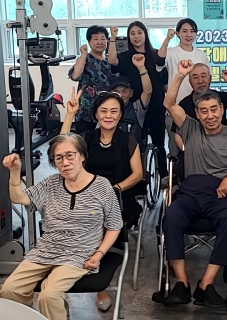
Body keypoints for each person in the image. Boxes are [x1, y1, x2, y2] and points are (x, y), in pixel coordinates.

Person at [158, 59, 227, 309]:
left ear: (222, 110)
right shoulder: (190, 128)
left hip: (220, 194)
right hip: (190, 192)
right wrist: (180, 75)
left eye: (214, 110)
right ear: (197, 114)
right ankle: (181, 283)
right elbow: (169, 103)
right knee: (171, 217)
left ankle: (206, 284)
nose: (210, 116)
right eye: (204, 111)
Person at [0, 134, 123, 320]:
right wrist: (15, 172)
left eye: (70, 155)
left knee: (49, 296)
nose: (65, 162)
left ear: (82, 155)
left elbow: (114, 225)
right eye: (58, 158)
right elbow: (19, 198)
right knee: (9, 290)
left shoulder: (102, 186)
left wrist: (98, 254)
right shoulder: (51, 183)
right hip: (46, 250)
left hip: (80, 253)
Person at [61, 89, 143, 311]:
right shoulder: (86, 139)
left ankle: (99, 285)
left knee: (93, 222)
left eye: (114, 111)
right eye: (104, 110)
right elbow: (61, 148)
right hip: (86, 197)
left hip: (119, 197)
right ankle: (64, 275)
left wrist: (113, 189)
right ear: (96, 114)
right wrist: (70, 115)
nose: (109, 115)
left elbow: (137, 174)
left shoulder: (128, 140)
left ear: (120, 114)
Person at [108, 21, 170, 175]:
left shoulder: (156, 54)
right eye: (132, 33)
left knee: (158, 141)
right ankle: (137, 174)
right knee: (135, 142)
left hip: (156, 104)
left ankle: (163, 175)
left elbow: (164, 81)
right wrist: (113, 38)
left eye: (139, 32)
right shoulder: (125, 56)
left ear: (145, 34)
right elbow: (112, 61)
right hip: (134, 106)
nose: (136, 36)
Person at [157, 18, 210, 155]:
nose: (188, 34)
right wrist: (167, 39)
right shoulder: (171, 52)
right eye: (184, 31)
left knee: (199, 149)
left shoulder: (201, 54)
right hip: (175, 107)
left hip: (198, 108)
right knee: (176, 151)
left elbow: (207, 78)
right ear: (178, 33)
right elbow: (159, 62)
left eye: (192, 31)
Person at [172, 64, 227, 150]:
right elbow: (178, 133)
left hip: (222, 147)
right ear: (190, 82)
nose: (200, 81)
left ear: (210, 78)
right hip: (196, 149)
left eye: (203, 76)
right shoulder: (184, 104)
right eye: (195, 77)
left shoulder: (220, 97)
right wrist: (188, 150)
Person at [68, 25, 117, 133]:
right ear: (89, 42)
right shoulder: (85, 59)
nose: (100, 42)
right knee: (85, 140)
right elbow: (75, 76)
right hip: (86, 112)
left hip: (107, 111)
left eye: (103, 39)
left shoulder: (109, 60)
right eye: (95, 39)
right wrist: (83, 54)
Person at [106, 53, 152, 147]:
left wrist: (141, 68)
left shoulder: (137, 108)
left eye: (124, 91)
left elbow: (147, 92)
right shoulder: (105, 110)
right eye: (116, 92)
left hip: (132, 150)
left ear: (131, 93)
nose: (121, 95)